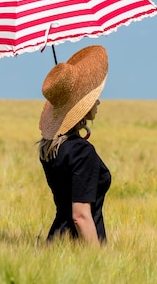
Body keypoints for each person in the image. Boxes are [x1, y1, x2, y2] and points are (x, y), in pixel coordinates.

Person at [37, 45, 111, 246]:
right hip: (79, 249)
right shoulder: (81, 152)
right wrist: (98, 263)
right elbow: (80, 216)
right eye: (92, 96)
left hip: (57, 245)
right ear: (82, 106)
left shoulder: (49, 148)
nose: (98, 102)